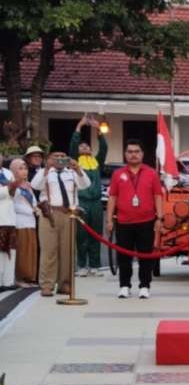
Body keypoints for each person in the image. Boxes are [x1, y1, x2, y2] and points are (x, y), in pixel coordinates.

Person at [105, 141, 164, 299]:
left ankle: (145, 285)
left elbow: (158, 196)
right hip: (124, 222)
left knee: (145, 255)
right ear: (125, 154)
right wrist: (109, 219)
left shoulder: (151, 173)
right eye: (130, 151)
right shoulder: (118, 174)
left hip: (147, 221)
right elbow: (112, 197)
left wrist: (160, 217)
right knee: (124, 256)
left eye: (137, 151)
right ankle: (124, 285)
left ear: (142, 154)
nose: (133, 154)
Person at [31, 150, 90, 297]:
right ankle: (47, 285)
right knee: (48, 251)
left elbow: (85, 185)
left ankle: (65, 284)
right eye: (55, 156)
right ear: (49, 159)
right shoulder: (46, 173)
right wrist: (46, 169)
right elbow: (35, 185)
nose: (59, 159)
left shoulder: (71, 173)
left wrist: (78, 169)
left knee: (67, 251)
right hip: (49, 213)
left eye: (62, 157)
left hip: (68, 214)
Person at [70, 114, 107, 277]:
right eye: (82, 147)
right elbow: (72, 146)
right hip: (82, 202)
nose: (85, 148)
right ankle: (82, 265)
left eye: (87, 147)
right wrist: (80, 126)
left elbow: (104, 148)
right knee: (82, 234)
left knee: (97, 234)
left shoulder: (96, 162)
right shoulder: (75, 162)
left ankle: (95, 265)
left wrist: (98, 128)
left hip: (96, 203)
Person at [10, 160, 37, 287]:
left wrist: (36, 209)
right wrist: (31, 210)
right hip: (20, 223)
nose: (24, 171)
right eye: (20, 168)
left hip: (31, 223)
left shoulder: (29, 186)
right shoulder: (13, 187)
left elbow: (34, 203)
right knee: (22, 251)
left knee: (30, 250)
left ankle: (28, 277)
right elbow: (14, 205)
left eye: (25, 168)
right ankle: (19, 278)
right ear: (14, 171)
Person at [0, 161, 16, 291]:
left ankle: (8, 281)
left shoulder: (8, 173)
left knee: (10, 251)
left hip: (10, 217)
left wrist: (13, 188)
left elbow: (14, 194)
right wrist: (9, 188)